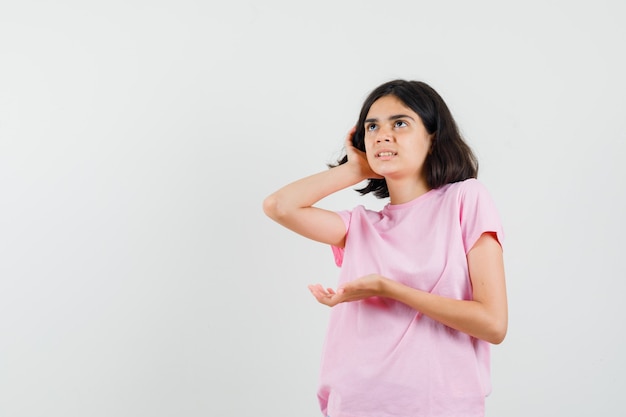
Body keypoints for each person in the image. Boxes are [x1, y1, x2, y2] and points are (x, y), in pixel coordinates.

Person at [263, 79, 507, 417]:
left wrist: (390, 289)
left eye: (400, 123)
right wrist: (355, 170)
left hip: (438, 405)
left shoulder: (465, 199)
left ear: (433, 137)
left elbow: (493, 324)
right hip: (354, 404)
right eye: (372, 126)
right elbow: (279, 206)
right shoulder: (359, 225)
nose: (382, 134)